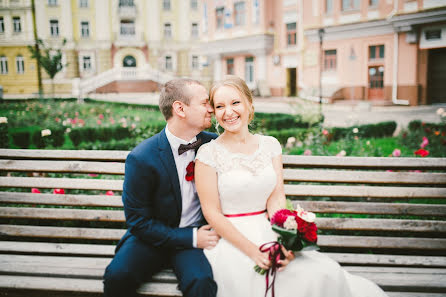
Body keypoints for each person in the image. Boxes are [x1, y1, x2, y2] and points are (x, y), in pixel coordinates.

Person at [194, 75, 389, 297]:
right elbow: (211, 212)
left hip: (268, 230)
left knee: (322, 274)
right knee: (253, 279)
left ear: (249, 104)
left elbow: (276, 198)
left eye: (235, 102)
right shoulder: (208, 154)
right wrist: (253, 251)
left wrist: (285, 241)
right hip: (232, 240)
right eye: (220, 106)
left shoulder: (270, 145)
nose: (228, 112)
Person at [103, 78, 219, 297]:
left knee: (201, 282)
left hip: (195, 240)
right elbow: (138, 222)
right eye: (204, 103)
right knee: (117, 277)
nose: (211, 109)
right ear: (180, 108)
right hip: (150, 240)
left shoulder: (214, 145)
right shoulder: (142, 158)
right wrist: (192, 238)